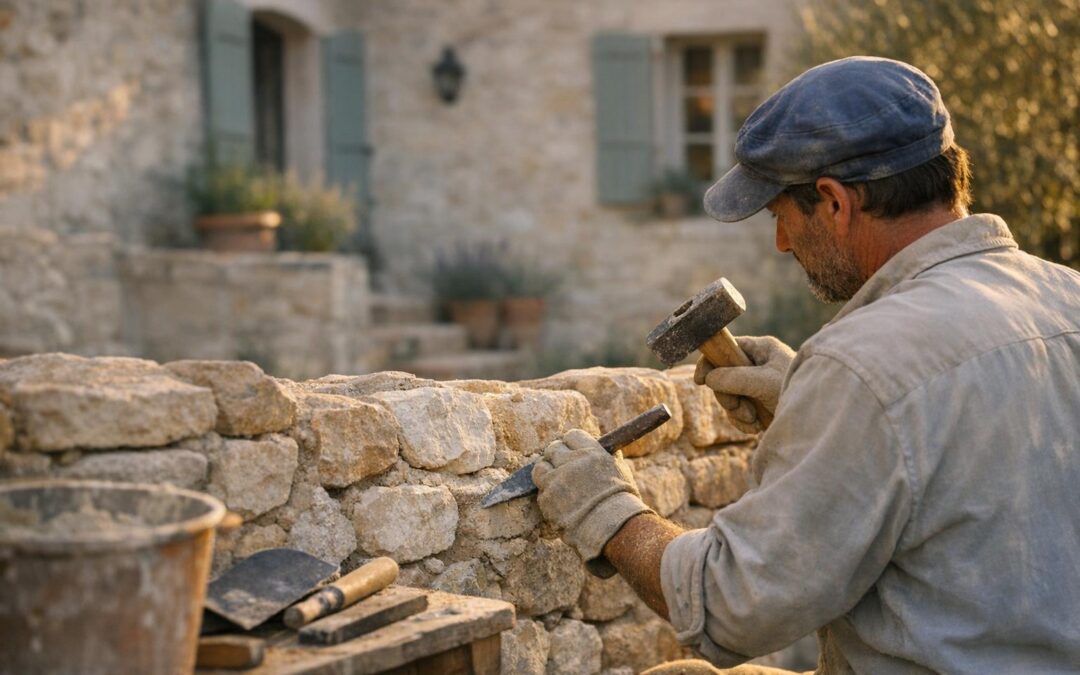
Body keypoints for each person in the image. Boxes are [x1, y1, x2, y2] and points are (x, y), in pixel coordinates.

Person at [530, 56, 1080, 674]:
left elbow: (734, 606)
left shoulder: (864, 363)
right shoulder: (1065, 296)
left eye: (779, 218)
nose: (782, 244)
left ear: (835, 202)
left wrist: (606, 510)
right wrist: (807, 401)